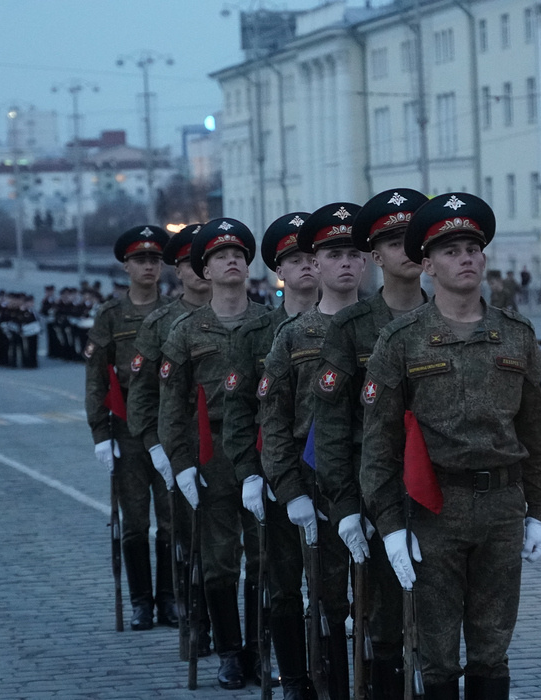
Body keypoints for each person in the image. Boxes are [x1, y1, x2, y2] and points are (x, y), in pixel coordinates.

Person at [360, 192, 541, 700]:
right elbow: (379, 442)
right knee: (438, 652)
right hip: (433, 513)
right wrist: (389, 525)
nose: (466, 257)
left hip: (501, 508)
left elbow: (537, 432)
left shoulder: (515, 335)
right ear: (425, 264)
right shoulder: (402, 340)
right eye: (451, 250)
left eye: (473, 247)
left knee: (493, 649)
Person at [312, 188, 429, 699]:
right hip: (374, 489)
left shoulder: (456, 319)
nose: (405, 250)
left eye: (413, 240)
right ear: (375, 256)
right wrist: (342, 505)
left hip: (442, 493)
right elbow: (332, 424)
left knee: (441, 617)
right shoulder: (351, 327)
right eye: (392, 241)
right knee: (383, 621)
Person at [260, 201, 367, 700]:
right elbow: (274, 421)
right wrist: (286, 488)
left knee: (377, 601)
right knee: (326, 598)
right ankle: (321, 685)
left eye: (353, 253)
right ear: (316, 263)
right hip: (313, 483)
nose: (344, 263)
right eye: (332, 254)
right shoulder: (292, 335)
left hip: (374, 479)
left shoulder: (384, 328)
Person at [159, 218, 269, 690]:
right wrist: (180, 464)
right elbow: (171, 406)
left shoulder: (272, 324)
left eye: (239, 255)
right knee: (220, 558)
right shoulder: (186, 331)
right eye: (221, 255)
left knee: (265, 558)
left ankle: (258, 648)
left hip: (261, 454)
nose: (232, 261)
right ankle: (229, 652)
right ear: (204, 268)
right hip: (209, 456)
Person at [223, 211, 321, 699]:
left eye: (312, 258)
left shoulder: (347, 325)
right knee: (283, 582)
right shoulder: (256, 334)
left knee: (333, 588)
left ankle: (331, 672)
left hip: (336, 477)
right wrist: (248, 474)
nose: (306, 268)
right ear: (280, 271)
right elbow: (238, 412)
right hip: (278, 475)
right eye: (295, 260)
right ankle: (294, 679)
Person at [126, 224, 213, 654]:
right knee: (185, 538)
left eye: (206, 259)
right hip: (176, 447)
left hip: (226, 448)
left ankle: (235, 636)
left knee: (231, 549)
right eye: (189, 262)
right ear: (178, 269)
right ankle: (192, 617)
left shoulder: (243, 316)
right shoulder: (161, 323)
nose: (199, 269)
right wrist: (155, 446)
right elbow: (141, 392)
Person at [84, 224, 173, 631]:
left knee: (172, 521)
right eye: (141, 260)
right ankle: (141, 602)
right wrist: (101, 434)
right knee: (135, 522)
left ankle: (170, 600)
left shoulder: (177, 312)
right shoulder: (110, 315)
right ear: (126, 266)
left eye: (155, 259)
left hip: (169, 430)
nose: (149, 267)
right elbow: (97, 379)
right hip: (127, 433)